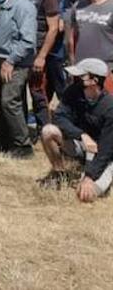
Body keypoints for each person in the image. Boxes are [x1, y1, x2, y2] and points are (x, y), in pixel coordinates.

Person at [39, 59, 113, 202]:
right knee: (48, 131)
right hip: (81, 144)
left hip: (103, 154)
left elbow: (106, 150)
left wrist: (89, 177)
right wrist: (82, 135)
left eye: (81, 76)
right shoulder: (73, 91)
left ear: (94, 81)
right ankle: (59, 173)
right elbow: (58, 117)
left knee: (87, 195)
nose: (75, 78)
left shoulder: (109, 107)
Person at [0, 0, 39, 158]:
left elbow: (28, 40)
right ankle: (3, 140)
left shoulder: (23, 7)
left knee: (9, 101)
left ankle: (22, 145)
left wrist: (10, 61)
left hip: (16, 62)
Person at [14, 0, 62, 130]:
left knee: (37, 92)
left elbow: (53, 28)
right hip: (18, 49)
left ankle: (45, 131)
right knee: (17, 93)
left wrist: (41, 57)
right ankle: (20, 131)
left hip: (37, 51)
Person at [67, 0, 113, 85]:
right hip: (80, 70)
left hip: (105, 73)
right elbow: (72, 37)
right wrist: (72, 62)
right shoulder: (78, 5)